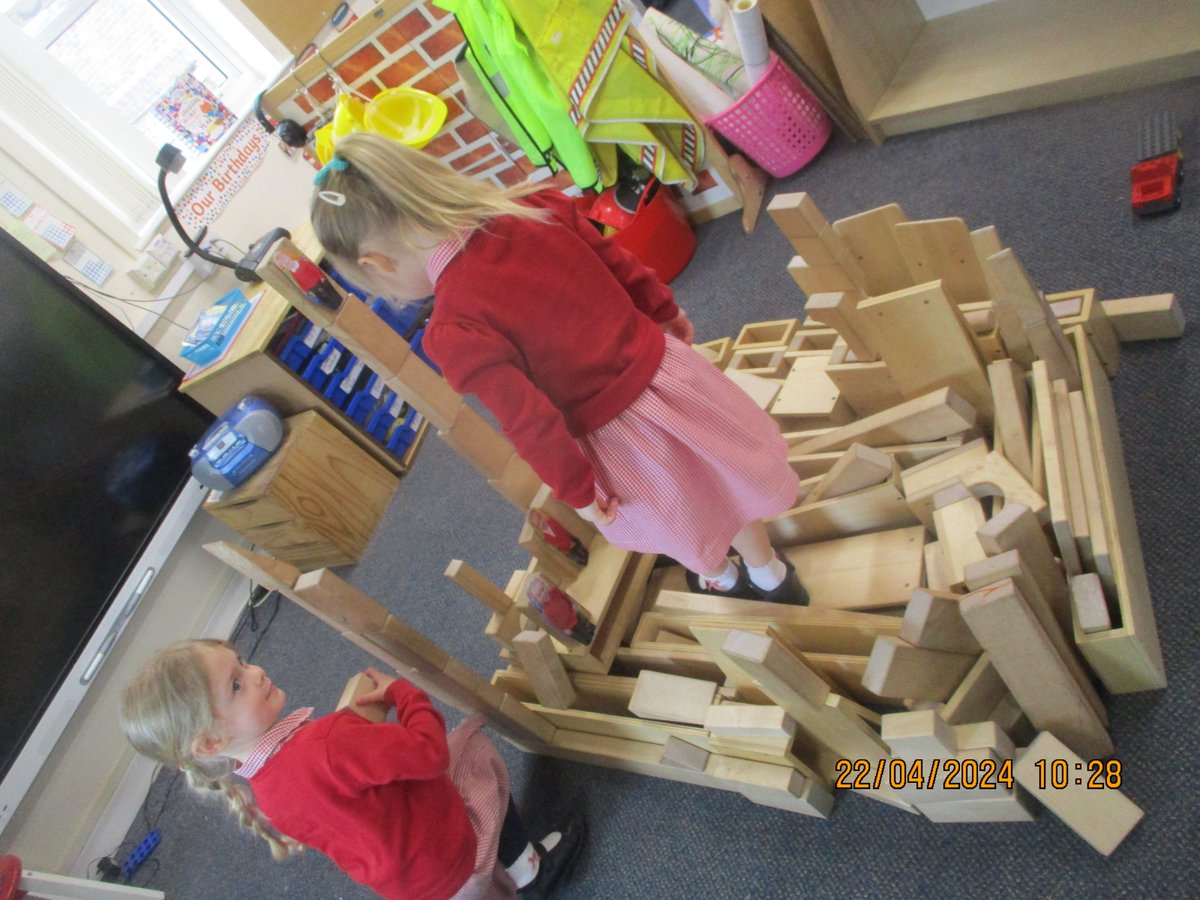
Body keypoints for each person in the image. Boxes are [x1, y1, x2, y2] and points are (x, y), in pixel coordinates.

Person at [310, 132, 806, 605]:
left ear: (377, 263)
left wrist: (579, 492)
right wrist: (662, 308)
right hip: (667, 376)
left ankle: (721, 575)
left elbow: (532, 423)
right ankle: (770, 573)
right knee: (722, 476)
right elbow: (617, 260)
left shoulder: (454, 329)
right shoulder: (532, 208)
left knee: (680, 513)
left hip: (623, 437)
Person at [119, 639, 585, 899]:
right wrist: (405, 695)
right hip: (449, 854)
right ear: (211, 741)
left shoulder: (266, 794)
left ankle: (496, 885)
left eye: (243, 661)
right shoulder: (326, 742)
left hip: (415, 890)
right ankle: (528, 872)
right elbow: (430, 754)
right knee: (472, 750)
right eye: (237, 684)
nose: (257, 671)